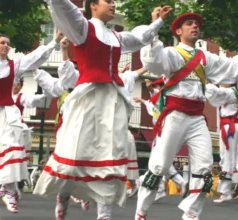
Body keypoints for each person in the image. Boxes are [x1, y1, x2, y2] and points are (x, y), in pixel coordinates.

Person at [33, 0, 172, 219]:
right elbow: (62, 7)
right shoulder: (82, 28)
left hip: (112, 99)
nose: (113, 3)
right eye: (108, 1)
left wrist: (159, 22)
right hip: (88, 97)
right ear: (93, 6)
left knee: (111, 152)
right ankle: (64, 195)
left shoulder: (116, 36)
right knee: (75, 151)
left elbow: (139, 38)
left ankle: (104, 215)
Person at [135, 10, 238, 219]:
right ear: (178, 30)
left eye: (197, 24)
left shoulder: (205, 57)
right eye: (189, 24)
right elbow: (153, 60)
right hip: (174, 115)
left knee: (205, 168)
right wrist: (155, 26)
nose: (195, 26)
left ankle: (191, 214)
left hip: (197, 118)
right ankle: (141, 212)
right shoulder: (172, 53)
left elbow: (231, 66)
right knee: (160, 166)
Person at [0, 15, 61, 213]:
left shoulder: (14, 66)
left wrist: (54, 41)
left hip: (8, 112)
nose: (6, 46)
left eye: (8, 44)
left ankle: (9, 191)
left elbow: (36, 57)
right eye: (2, 43)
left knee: (13, 147)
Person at [204, 83, 238, 203]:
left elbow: (212, 93)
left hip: (229, 128)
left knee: (226, 159)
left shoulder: (228, 92)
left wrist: (206, 81)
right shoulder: (237, 94)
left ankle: (225, 192)